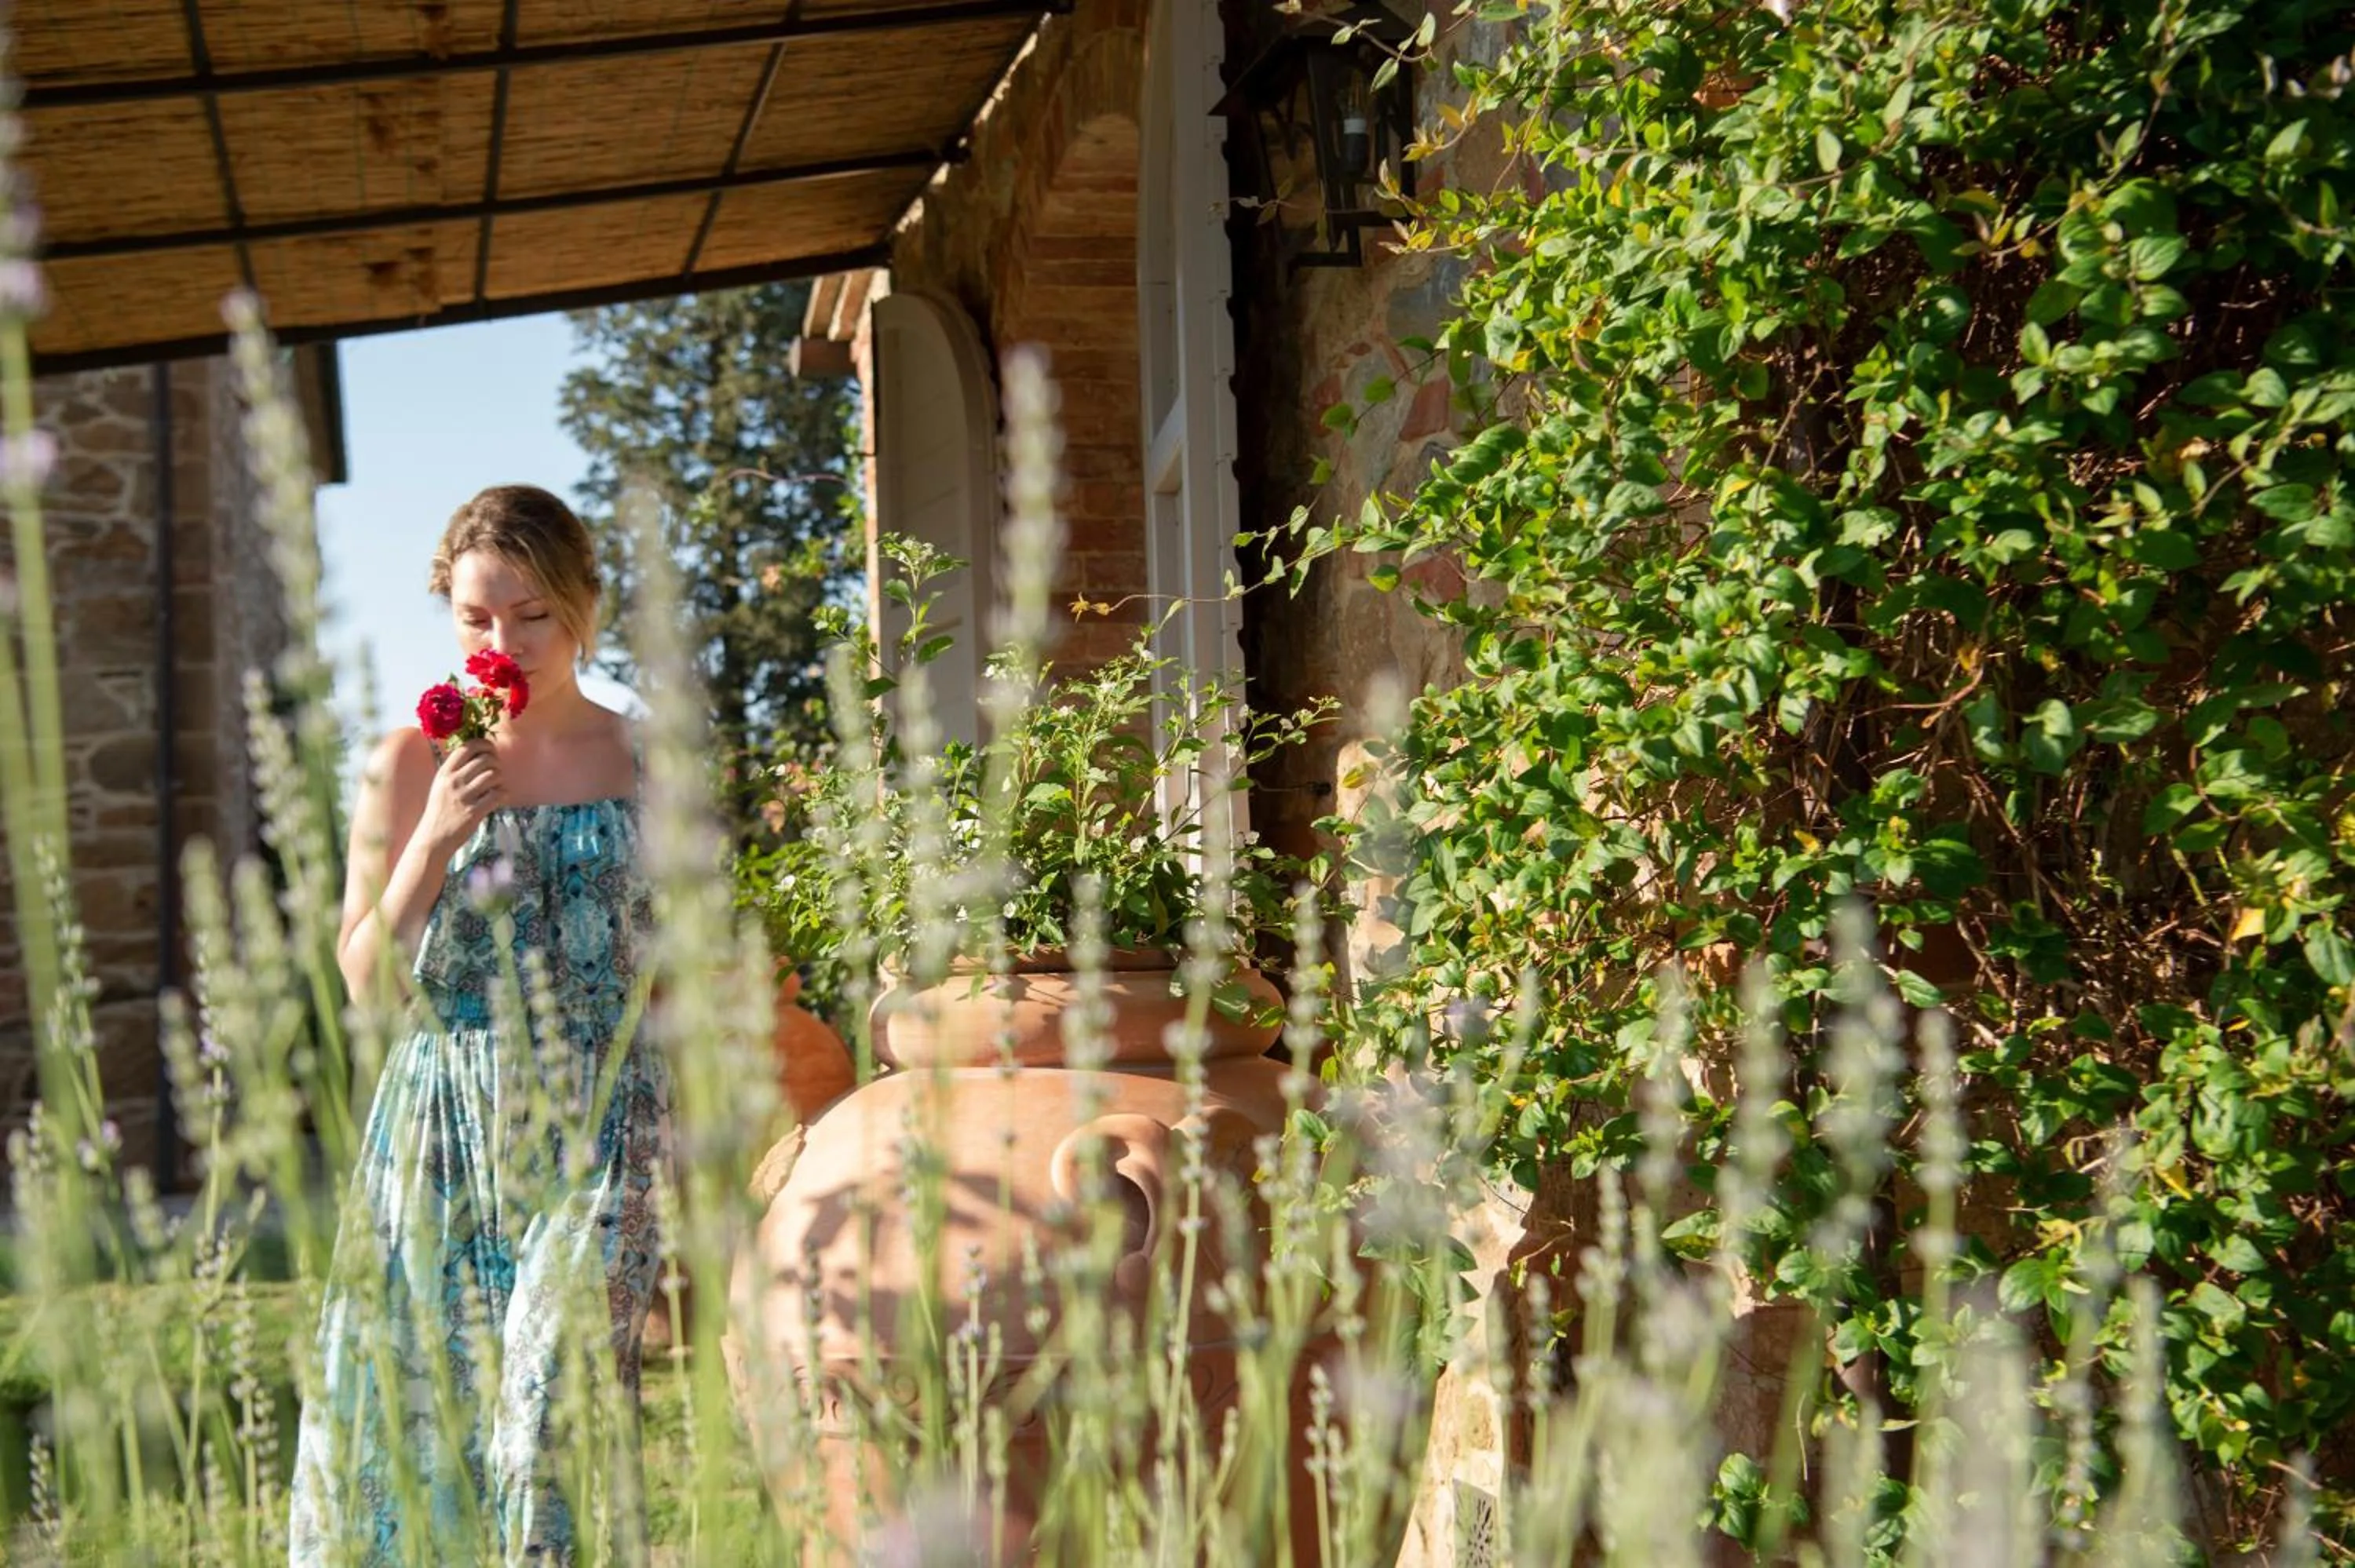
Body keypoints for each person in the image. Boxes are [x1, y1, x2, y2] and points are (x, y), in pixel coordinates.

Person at [289, 486, 670, 1566]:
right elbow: (364, 979)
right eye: (476, 616)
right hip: (443, 1129)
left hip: (601, 1121)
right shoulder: (406, 761)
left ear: (584, 608)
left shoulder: (648, 757)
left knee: (547, 1415)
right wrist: (437, 834)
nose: (505, 642)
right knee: (426, 1438)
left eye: (534, 613)